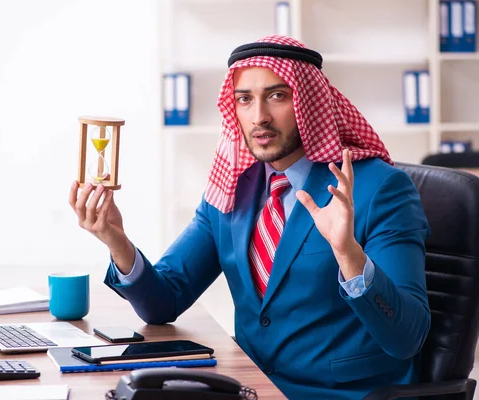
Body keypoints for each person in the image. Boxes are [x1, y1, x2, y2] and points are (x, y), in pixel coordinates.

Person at [68, 35, 431, 399]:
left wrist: (348, 253)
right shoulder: (231, 187)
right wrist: (117, 240)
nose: (259, 116)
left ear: (309, 104)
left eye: (278, 96)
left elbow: (407, 339)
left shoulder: (379, 189)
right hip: (249, 389)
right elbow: (164, 302)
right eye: (245, 99)